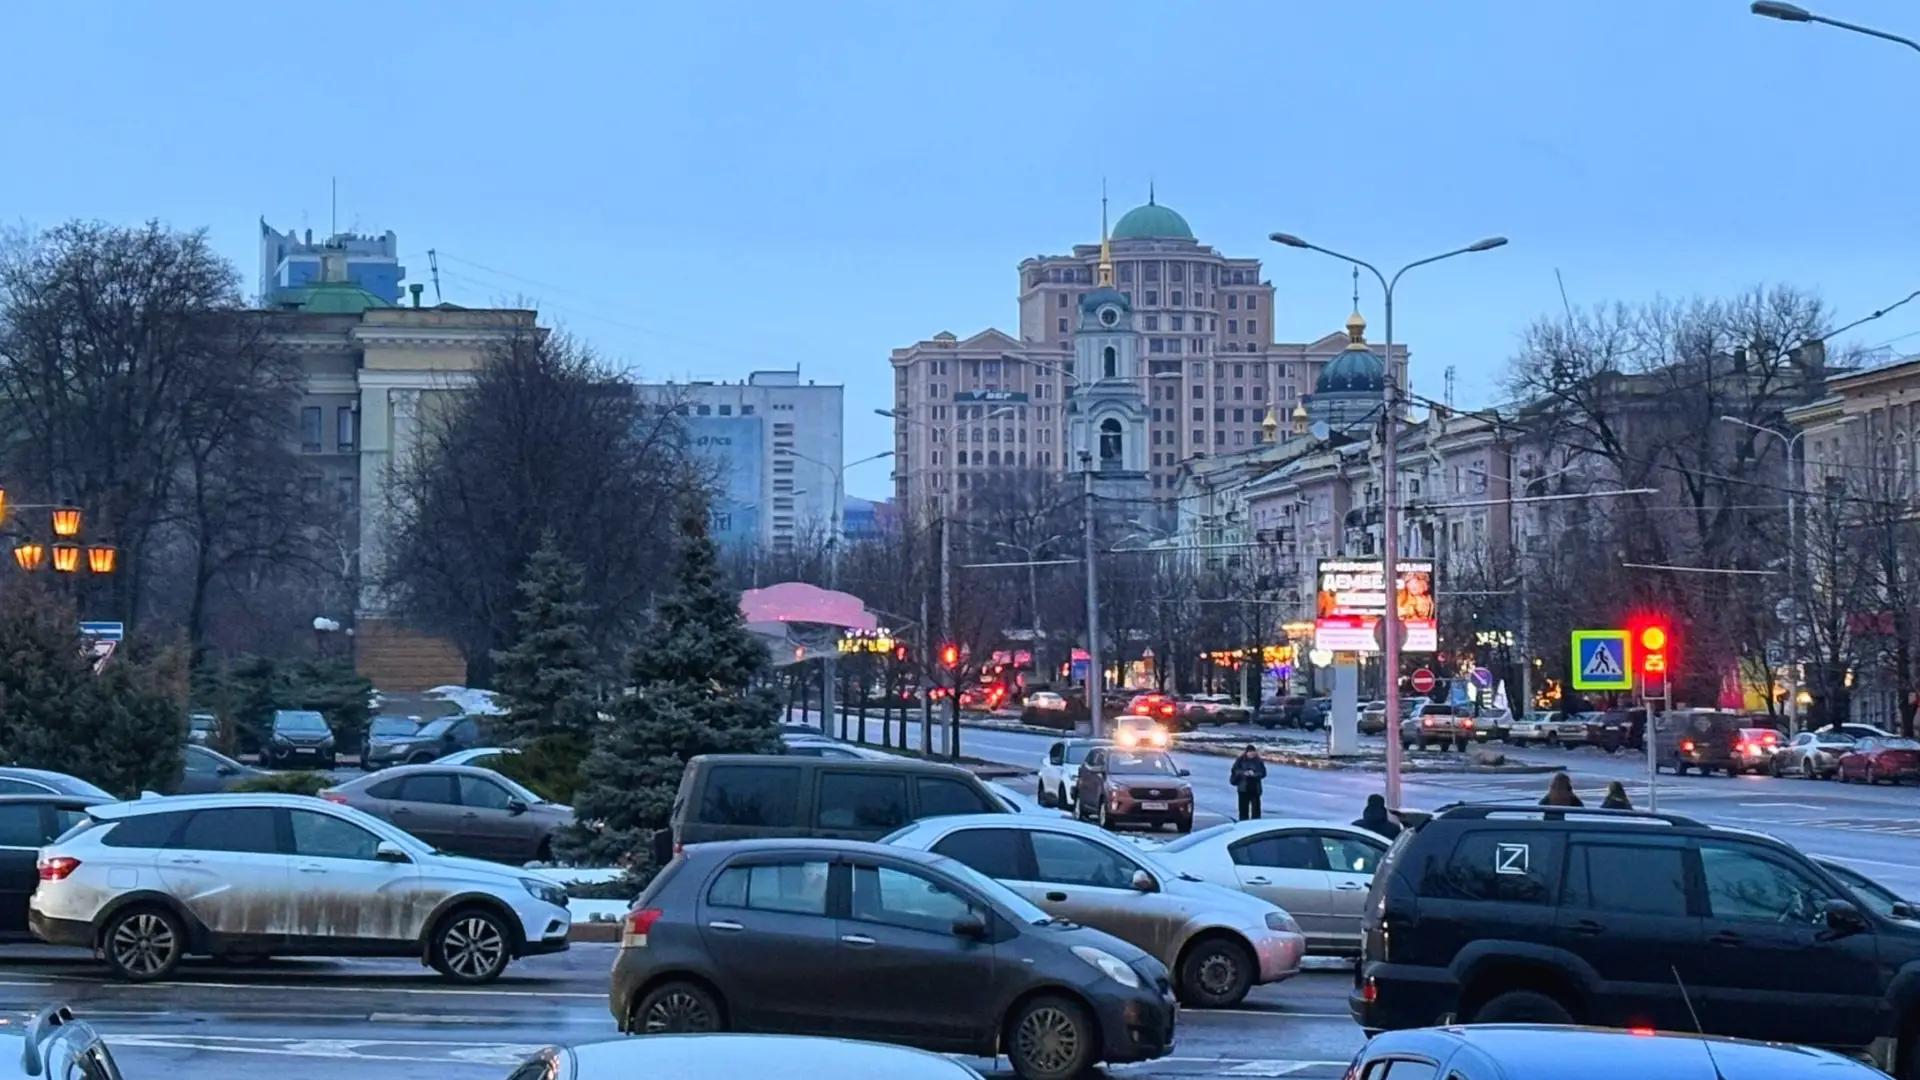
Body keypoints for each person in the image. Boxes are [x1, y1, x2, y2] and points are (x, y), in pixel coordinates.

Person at [1230, 746, 1267, 821]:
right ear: (1247, 752)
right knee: (1243, 808)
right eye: (1251, 753)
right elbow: (1235, 771)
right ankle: (1243, 822)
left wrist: (1254, 774)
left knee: (1256, 809)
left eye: (1254, 753)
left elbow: (1263, 773)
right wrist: (1244, 773)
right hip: (1243, 788)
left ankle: (1256, 823)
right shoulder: (1240, 760)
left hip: (1255, 788)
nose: (1252, 755)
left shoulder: (1258, 761)